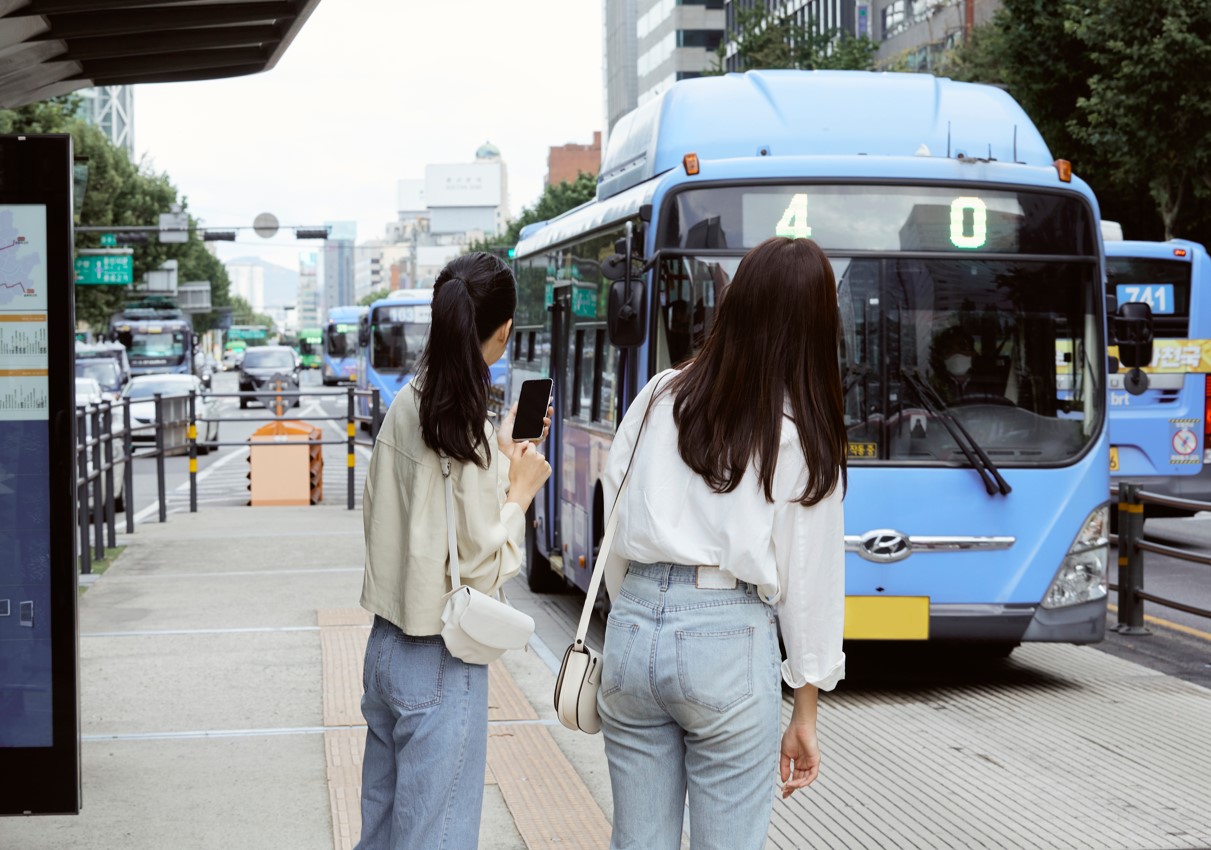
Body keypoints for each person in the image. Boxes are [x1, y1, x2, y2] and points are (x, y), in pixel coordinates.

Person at [598, 236, 848, 850]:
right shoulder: (798, 434)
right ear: (815, 327)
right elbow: (808, 581)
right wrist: (805, 709)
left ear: (736, 305)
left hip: (632, 625)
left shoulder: (659, 394)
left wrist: (639, 602)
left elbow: (615, 504)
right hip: (726, 640)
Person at [354, 252, 551, 850]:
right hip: (441, 656)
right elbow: (484, 567)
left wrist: (496, 457)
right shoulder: (464, 430)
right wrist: (518, 494)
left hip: (385, 647)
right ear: (504, 330)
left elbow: (419, 518)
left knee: (383, 835)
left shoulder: (410, 404)